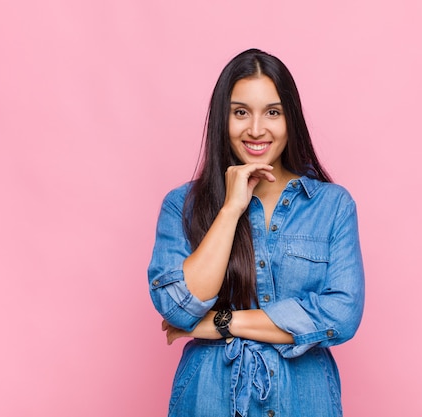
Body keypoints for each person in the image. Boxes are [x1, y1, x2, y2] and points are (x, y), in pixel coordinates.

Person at [148, 48, 364, 417]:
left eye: (273, 112)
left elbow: (340, 315)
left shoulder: (332, 206)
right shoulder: (182, 205)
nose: (256, 129)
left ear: (290, 119)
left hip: (304, 402)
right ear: (223, 118)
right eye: (241, 112)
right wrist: (231, 209)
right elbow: (178, 308)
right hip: (207, 399)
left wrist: (221, 323)